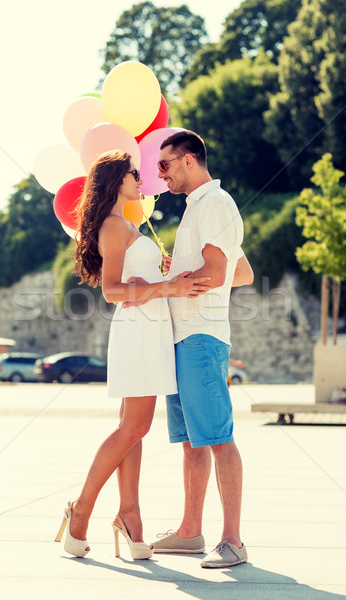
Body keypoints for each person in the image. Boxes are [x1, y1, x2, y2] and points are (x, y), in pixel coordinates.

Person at [54, 150, 210, 560]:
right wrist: (167, 288)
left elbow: (135, 283)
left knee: (132, 428)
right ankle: (81, 509)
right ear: (115, 180)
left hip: (151, 330)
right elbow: (111, 292)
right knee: (135, 427)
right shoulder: (111, 225)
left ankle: (129, 514)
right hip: (138, 332)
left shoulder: (126, 224)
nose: (141, 178)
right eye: (134, 173)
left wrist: (162, 275)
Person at [149, 130, 254, 568]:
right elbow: (242, 272)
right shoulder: (201, 208)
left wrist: (174, 280)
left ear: (189, 160)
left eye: (165, 165)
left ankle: (233, 540)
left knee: (218, 438)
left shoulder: (215, 203)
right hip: (185, 336)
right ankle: (191, 532)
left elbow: (214, 273)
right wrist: (186, 268)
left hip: (201, 337)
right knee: (193, 442)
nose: (161, 175)